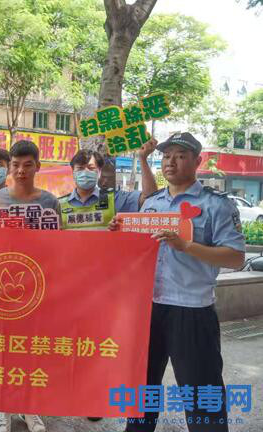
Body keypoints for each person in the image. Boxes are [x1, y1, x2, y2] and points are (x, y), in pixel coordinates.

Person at [109, 132, 245, 432]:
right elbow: (135, 253)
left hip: (191, 310)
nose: (171, 162)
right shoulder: (151, 203)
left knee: (201, 393)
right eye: (167, 155)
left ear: (198, 161)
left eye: (181, 156)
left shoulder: (216, 205)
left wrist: (186, 246)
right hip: (148, 308)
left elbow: (236, 257)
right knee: (142, 389)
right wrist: (120, 232)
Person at [0, 140, 60, 432]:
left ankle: (30, 408)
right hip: (2, 289)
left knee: (32, 352)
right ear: (9, 167)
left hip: (37, 290)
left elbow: (58, 248)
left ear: (37, 166)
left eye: (28, 165)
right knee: (3, 351)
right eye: (15, 165)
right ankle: (3, 409)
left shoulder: (50, 202)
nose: (21, 171)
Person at [60, 139, 158, 229]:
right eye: (80, 168)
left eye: (91, 168)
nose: (85, 172)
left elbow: (149, 197)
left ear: (99, 172)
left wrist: (143, 159)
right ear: (73, 172)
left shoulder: (115, 199)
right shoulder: (59, 205)